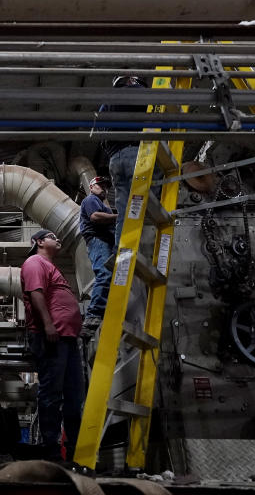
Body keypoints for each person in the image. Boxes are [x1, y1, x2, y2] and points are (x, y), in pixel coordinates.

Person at [21, 228, 85, 462]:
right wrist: (48, 325)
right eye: (51, 237)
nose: (57, 240)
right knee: (52, 394)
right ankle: (52, 451)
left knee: (74, 396)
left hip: (67, 339)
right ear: (38, 241)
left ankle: (75, 452)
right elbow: (36, 294)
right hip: (51, 337)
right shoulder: (35, 262)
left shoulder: (52, 267)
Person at [102, 74, 150, 245]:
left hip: (114, 159)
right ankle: (145, 247)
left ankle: (121, 248)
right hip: (136, 153)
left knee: (123, 210)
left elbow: (100, 126)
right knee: (147, 201)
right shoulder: (138, 91)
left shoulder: (107, 101)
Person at [79, 176, 116, 332]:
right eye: (100, 185)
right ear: (92, 186)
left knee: (111, 276)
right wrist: (119, 217)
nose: (104, 189)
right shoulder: (91, 200)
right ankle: (93, 314)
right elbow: (95, 217)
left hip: (107, 242)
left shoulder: (102, 204)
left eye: (106, 187)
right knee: (105, 274)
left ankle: (104, 311)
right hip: (98, 240)